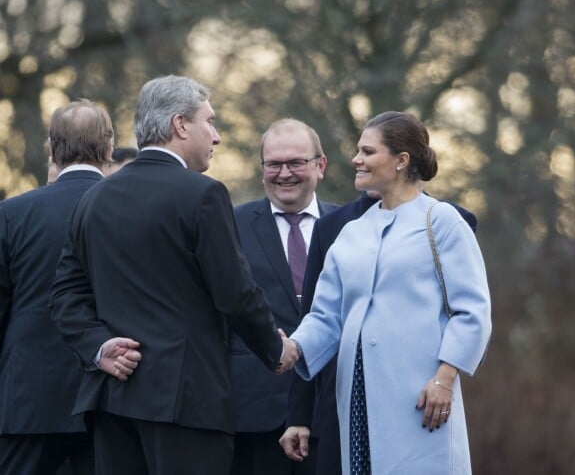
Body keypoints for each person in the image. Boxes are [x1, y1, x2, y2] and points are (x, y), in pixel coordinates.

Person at [48, 75, 298, 475]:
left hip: (112, 400)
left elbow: (64, 296)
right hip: (186, 403)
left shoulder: (92, 199)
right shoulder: (202, 194)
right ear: (181, 125)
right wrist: (275, 348)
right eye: (209, 122)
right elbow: (234, 292)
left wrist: (98, 346)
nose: (215, 136)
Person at [289, 111, 492, 474]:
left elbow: (472, 311)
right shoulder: (352, 233)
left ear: (401, 161)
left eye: (367, 151)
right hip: (357, 397)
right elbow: (325, 317)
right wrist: (291, 348)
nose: (356, 159)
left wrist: (444, 380)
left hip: (422, 398)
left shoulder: (442, 221)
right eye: (357, 151)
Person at [0, 99, 115, 475]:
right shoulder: (128, 209)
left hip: (27, 398)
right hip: (109, 396)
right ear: (110, 146)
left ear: (53, 146)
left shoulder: (13, 214)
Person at [229, 119, 338, 475]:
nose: (284, 174)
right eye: (273, 164)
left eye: (296, 163)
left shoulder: (350, 226)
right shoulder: (230, 224)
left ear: (320, 166)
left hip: (332, 408)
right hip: (255, 413)